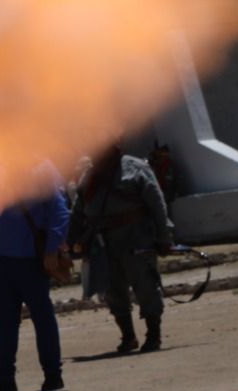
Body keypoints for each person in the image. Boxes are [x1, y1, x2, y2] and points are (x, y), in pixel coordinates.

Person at [68, 143, 174, 353]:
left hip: (136, 239)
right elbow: (78, 212)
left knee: (146, 287)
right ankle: (128, 336)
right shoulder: (89, 177)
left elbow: (157, 203)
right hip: (104, 243)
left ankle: (153, 335)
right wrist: (71, 243)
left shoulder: (135, 168)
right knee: (113, 291)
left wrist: (164, 237)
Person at [0, 162, 71, 391]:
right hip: (0, 258)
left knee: (42, 318)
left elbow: (60, 212)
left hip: (30, 259)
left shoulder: (43, 169)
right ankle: (5, 379)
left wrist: (51, 250)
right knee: (4, 324)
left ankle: (53, 375)